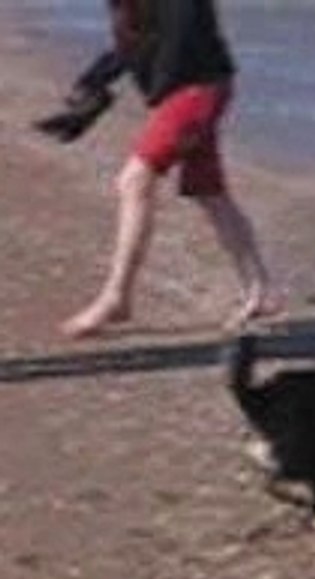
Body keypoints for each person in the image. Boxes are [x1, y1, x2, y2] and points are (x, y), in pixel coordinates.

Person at [37, 0, 281, 339]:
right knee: (209, 192)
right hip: (193, 88)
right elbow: (134, 41)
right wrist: (92, 84)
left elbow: (181, 33)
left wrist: (160, 96)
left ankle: (116, 297)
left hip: (196, 89)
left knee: (134, 181)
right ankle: (261, 288)